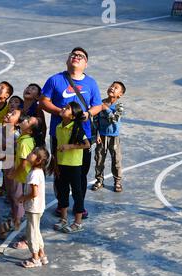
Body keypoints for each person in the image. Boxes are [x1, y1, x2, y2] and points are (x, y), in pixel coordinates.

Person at [39, 47, 102, 219]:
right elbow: (44, 101)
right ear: (67, 60)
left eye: (80, 56)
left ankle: (79, 206)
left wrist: (88, 114)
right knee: (61, 172)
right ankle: (62, 205)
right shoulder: (55, 80)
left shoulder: (91, 83)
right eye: (73, 55)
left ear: (86, 64)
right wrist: (61, 111)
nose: (76, 57)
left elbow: (97, 105)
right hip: (59, 134)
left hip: (83, 134)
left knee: (80, 172)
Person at [53, 102, 90, 233]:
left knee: (76, 193)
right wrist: (56, 164)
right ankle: (63, 219)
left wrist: (70, 146)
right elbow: (56, 147)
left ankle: (78, 222)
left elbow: (87, 144)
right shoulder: (58, 127)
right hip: (61, 165)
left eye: (67, 108)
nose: (63, 108)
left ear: (73, 116)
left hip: (74, 165)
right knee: (62, 192)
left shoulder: (77, 128)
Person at [17, 146, 55, 268]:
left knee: (31, 233)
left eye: (33, 153)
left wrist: (23, 197)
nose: (30, 153)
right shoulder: (38, 172)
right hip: (38, 207)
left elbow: (34, 193)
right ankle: (42, 255)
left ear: (38, 160)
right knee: (36, 231)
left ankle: (35, 258)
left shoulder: (34, 174)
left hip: (33, 208)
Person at [8, 116, 43, 231]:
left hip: (24, 177)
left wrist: (14, 173)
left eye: (28, 121)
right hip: (24, 176)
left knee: (19, 199)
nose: (24, 120)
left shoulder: (24, 142)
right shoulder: (24, 138)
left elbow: (24, 163)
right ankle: (18, 220)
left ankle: (18, 223)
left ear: (29, 130)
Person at [92, 81, 126, 192]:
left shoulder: (119, 106)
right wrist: (96, 134)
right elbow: (95, 121)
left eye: (116, 88)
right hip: (101, 136)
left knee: (116, 160)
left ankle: (117, 181)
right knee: (99, 159)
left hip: (114, 137)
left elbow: (114, 119)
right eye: (111, 86)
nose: (112, 88)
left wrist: (105, 108)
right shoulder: (100, 103)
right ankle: (99, 180)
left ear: (120, 94)